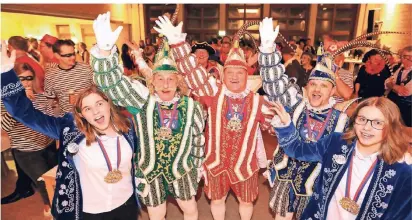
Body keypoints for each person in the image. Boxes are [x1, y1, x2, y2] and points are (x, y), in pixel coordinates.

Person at [1, 42, 140, 220]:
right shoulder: (71, 131)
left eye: (99, 104)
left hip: (126, 205)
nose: (96, 111)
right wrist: (6, 73)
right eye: (88, 108)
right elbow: (24, 113)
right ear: (81, 114)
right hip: (91, 210)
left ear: (109, 104)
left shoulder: (127, 127)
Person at [156, 15, 275, 220]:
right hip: (215, 163)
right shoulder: (213, 91)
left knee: (246, 202)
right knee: (217, 201)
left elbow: (277, 127)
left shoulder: (257, 101)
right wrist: (177, 42)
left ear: (247, 75)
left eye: (240, 72)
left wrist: (282, 123)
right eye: (230, 72)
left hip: (244, 167)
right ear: (223, 73)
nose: (235, 77)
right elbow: (192, 71)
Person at [90, 12, 206, 220]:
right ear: (153, 81)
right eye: (160, 78)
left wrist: (196, 166)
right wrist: (105, 52)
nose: (165, 84)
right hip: (150, 171)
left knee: (189, 209)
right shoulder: (143, 101)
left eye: (171, 79)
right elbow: (112, 85)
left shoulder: (192, 107)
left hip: (182, 170)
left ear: (179, 82)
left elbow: (198, 140)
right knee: (156, 213)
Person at [271, 96, 411, 220]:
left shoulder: (402, 168)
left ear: (391, 126)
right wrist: (286, 125)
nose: (367, 128)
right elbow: (298, 150)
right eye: (362, 119)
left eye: (377, 122)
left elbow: (403, 214)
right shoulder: (336, 142)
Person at [262, 33, 349, 219]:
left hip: (316, 183)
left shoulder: (341, 120)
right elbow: (275, 85)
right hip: (287, 175)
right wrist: (268, 49)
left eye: (323, 86)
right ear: (307, 87)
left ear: (333, 90)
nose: (316, 89)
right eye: (313, 84)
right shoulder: (297, 104)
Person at [1, 63, 57, 219]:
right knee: (44, 186)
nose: (26, 82)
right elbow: (4, 126)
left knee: (56, 181)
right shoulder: (5, 101)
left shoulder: (39, 97)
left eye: (29, 78)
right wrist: (19, 104)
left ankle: (52, 207)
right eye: (21, 79)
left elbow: (49, 118)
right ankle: (52, 210)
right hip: (27, 153)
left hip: (49, 146)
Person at [44, 39, 94, 116]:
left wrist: (82, 96)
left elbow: (97, 91)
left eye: (73, 53)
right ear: (57, 55)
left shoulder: (86, 69)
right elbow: (49, 101)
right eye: (68, 55)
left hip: (89, 115)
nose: (73, 57)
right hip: (68, 118)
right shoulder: (50, 76)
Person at [385, 45, 412, 127]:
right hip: (392, 106)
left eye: (410, 58)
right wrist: (395, 87)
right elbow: (386, 83)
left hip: (407, 111)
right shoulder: (397, 68)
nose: (407, 60)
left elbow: (406, 92)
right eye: (404, 57)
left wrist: (392, 86)